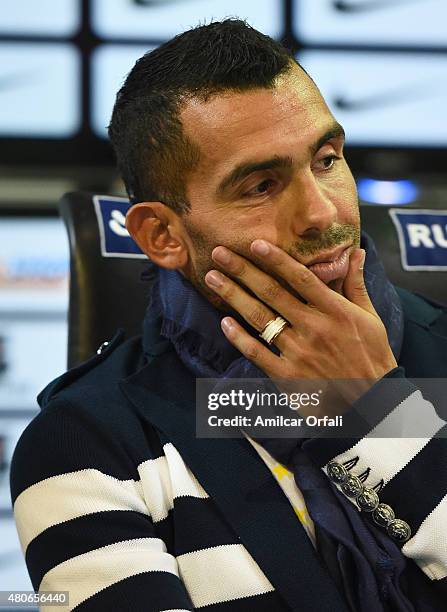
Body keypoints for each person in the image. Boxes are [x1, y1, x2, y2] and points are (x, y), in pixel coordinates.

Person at [10, 19, 447, 612]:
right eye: (261, 186)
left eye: (325, 159)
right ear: (162, 234)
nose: (322, 212)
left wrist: (378, 415)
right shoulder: (82, 446)